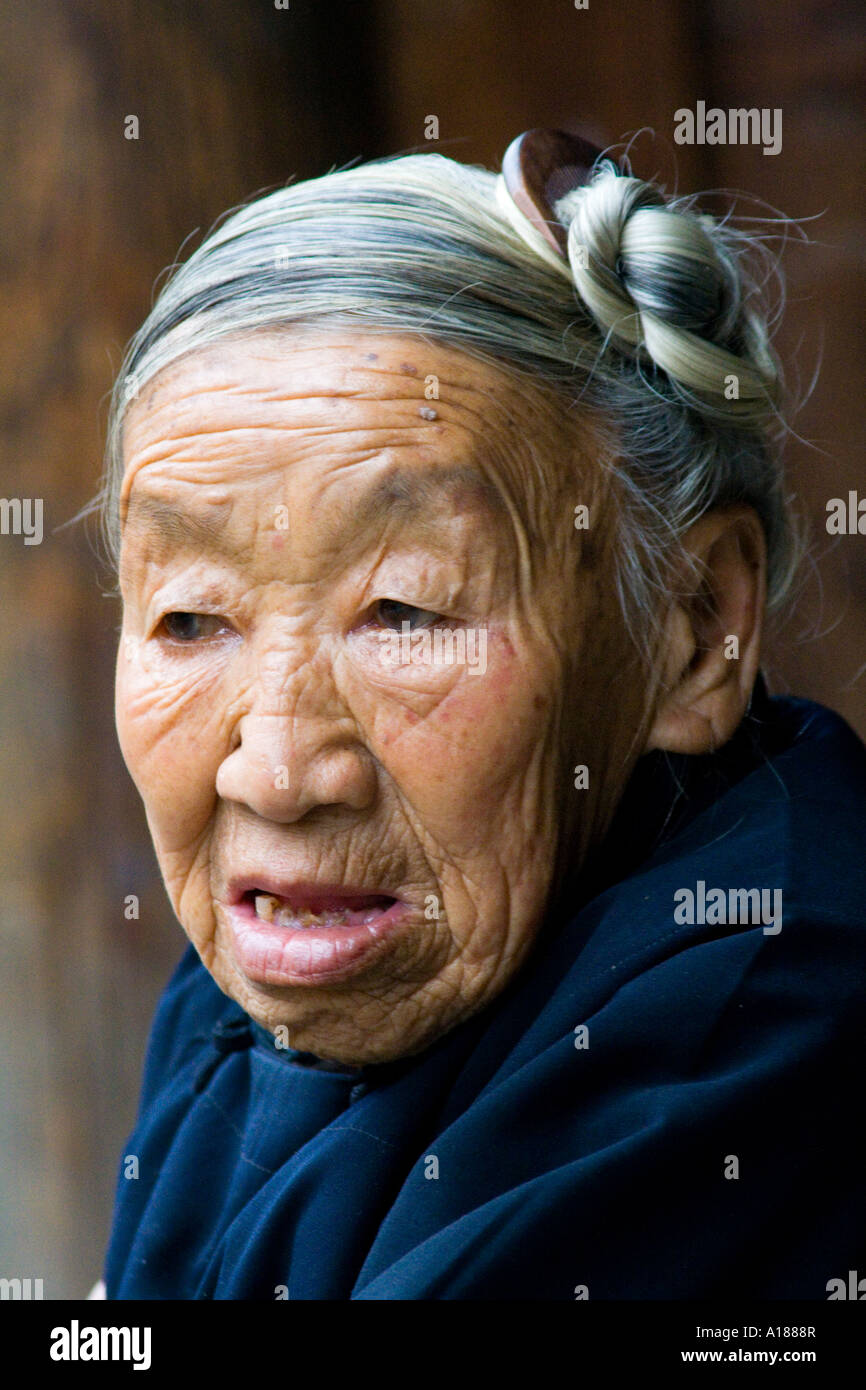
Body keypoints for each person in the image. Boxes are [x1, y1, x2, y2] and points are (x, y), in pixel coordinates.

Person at [95, 130, 866, 1300]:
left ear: (691, 628)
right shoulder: (284, 962)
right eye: (191, 618)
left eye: (403, 610)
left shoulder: (755, 1027)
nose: (276, 769)